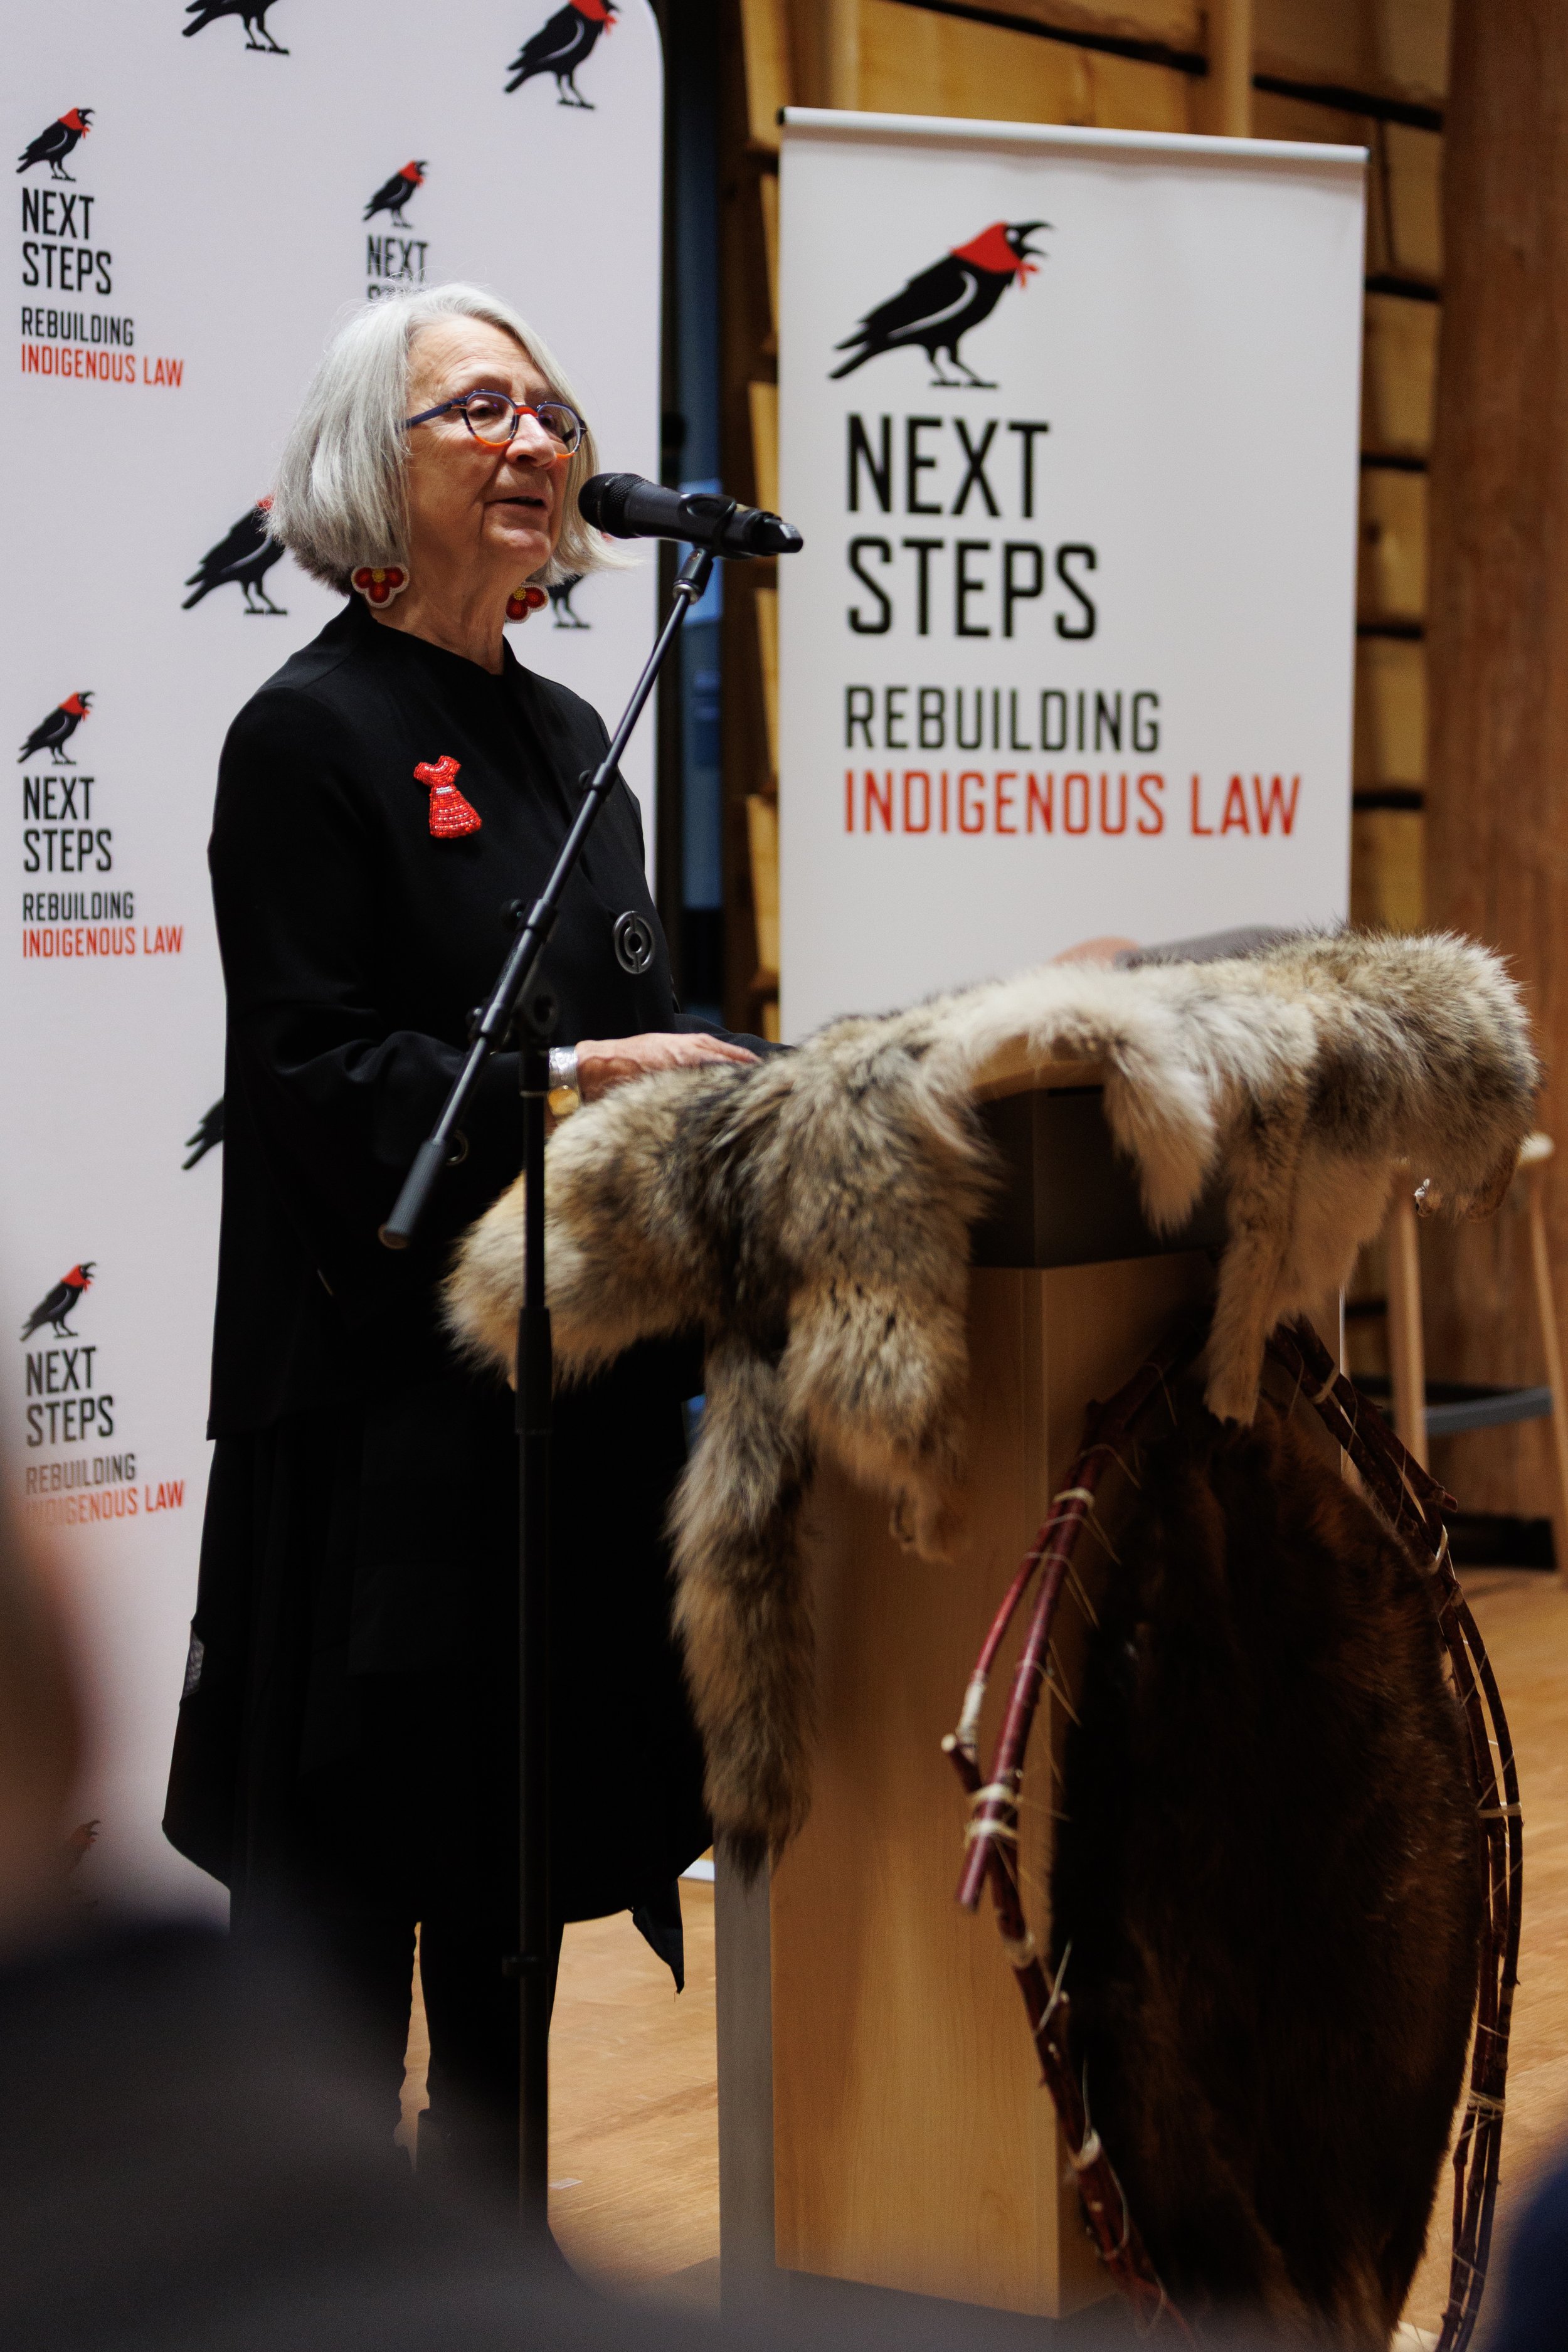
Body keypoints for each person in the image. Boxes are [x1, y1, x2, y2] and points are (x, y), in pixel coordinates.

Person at [162, 282, 760, 2180]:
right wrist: (576, 1079)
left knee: (512, 1872)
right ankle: (319, 2259)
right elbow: (322, 1079)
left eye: (549, 409)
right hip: (372, 1408)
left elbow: (625, 1031)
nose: (533, 438)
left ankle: (497, 2234)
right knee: (354, 1893)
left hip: (551, 1401)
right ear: (371, 464)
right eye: (475, 409)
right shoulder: (306, 736)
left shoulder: (577, 733)